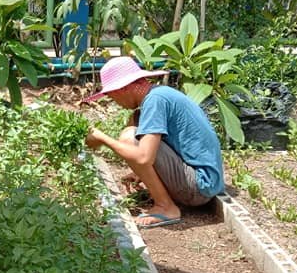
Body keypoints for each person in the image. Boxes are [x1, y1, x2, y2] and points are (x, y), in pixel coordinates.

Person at [84, 56, 225, 228]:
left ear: (123, 88)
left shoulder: (155, 101)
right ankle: (164, 200)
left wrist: (102, 138)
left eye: (112, 96)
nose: (116, 103)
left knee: (129, 137)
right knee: (135, 122)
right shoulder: (160, 94)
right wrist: (141, 173)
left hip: (199, 187)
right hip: (205, 182)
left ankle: (166, 207)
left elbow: (144, 157)